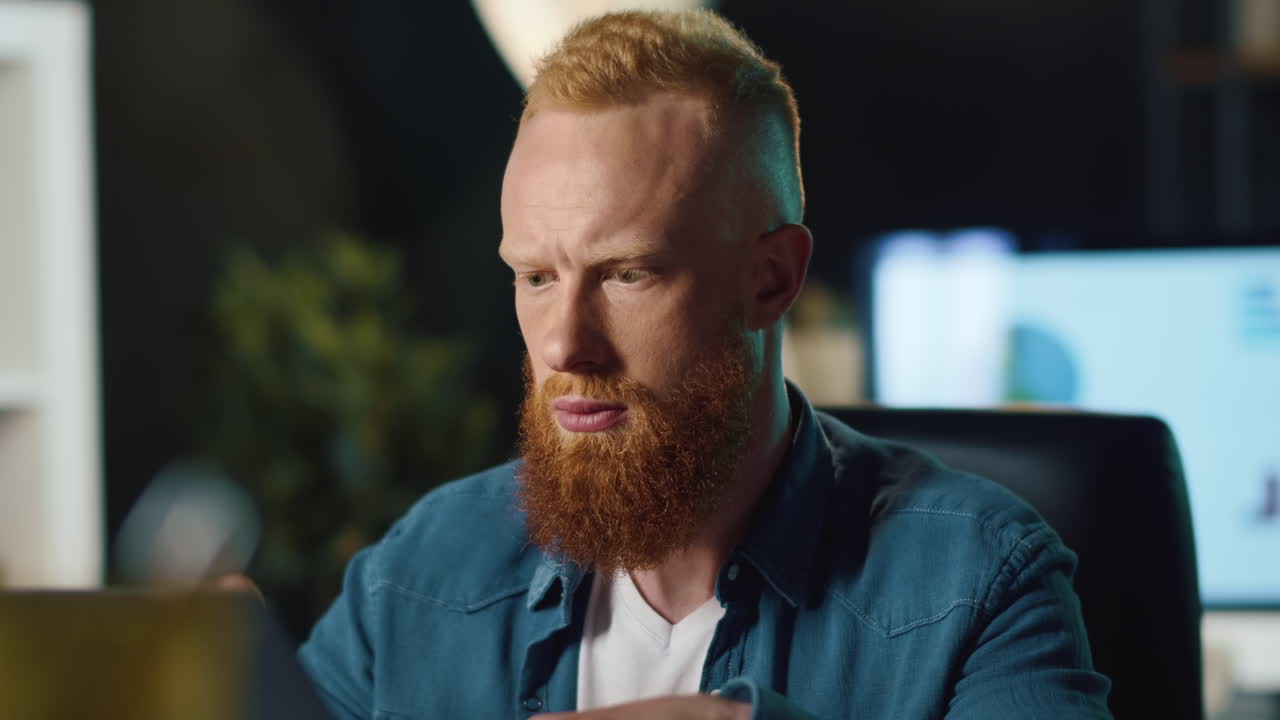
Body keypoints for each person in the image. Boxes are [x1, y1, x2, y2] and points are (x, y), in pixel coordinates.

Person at [298, 10, 1112, 719]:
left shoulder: (978, 582)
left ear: (772, 280)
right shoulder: (418, 574)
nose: (561, 345)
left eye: (628, 274)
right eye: (537, 278)